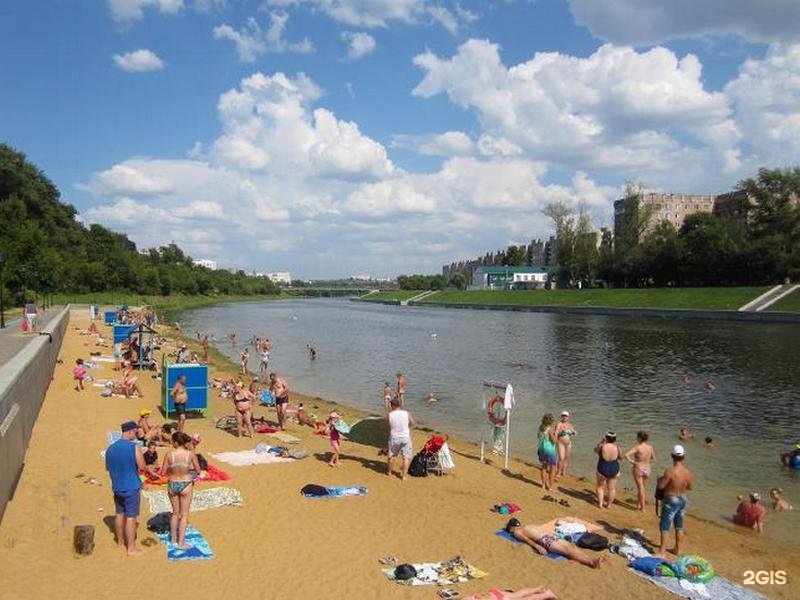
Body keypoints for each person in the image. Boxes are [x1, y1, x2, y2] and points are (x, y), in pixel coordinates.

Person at [104, 421, 145, 556]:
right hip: (131, 486)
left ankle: (120, 543)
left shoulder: (110, 449)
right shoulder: (133, 447)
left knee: (119, 514)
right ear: (130, 431)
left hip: (117, 486)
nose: (137, 434)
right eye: (135, 432)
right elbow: (142, 466)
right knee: (131, 517)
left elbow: (108, 468)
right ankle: (131, 548)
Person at [504, 519, 606, 569]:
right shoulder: (517, 532)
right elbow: (526, 540)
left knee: (572, 547)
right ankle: (590, 562)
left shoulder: (525, 527)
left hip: (551, 537)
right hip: (545, 540)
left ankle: (592, 559)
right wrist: (537, 546)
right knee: (568, 552)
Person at [161, 431, 201, 550]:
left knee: (175, 513)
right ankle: (181, 543)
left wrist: (173, 470)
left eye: (172, 441)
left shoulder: (169, 455)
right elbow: (198, 470)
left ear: (176, 442)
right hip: (186, 484)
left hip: (172, 483)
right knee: (184, 515)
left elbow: (163, 472)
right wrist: (188, 470)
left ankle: (173, 539)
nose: (171, 443)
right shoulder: (190, 454)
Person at [655, 444, 694, 557]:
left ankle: (662, 551)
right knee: (679, 526)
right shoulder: (688, 472)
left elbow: (662, 486)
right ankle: (677, 549)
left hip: (671, 499)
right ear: (683, 457)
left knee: (665, 526)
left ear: (672, 456)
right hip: (683, 499)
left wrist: (660, 481)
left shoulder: (670, 471)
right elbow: (690, 487)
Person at [625, 431, 656, 511]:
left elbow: (626, 455)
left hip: (638, 468)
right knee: (642, 487)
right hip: (647, 468)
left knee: (640, 487)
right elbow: (653, 458)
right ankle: (639, 504)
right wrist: (647, 463)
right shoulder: (650, 447)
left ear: (639, 438)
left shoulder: (637, 447)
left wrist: (633, 462)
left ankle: (643, 508)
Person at [387, 396, 415, 480]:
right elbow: (413, 423)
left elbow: (389, 426)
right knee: (406, 457)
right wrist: (407, 425)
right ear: (400, 405)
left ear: (392, 405)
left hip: (394, 437)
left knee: (392, 455)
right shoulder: (406, 413)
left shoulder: (390, 415)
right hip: (405, 437)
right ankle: (404, 476)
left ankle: (389, 472)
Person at [595, 432, 621, 509]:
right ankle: (609, 505)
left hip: (603, 467)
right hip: (614, 468)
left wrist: (601, 442)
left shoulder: (602, 446)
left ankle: (600, 504)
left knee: (600, 487)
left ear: (606, 438)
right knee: (612, 488)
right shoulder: (617, 447)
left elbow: (596, 450)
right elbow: (620, 457)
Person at [536, 414, 558, 491]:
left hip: (541, 449)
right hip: (549, 450)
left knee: (543, 467)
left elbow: (538, 437)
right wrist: (556, 435)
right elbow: (554, 441)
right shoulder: (549, 429)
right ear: (551, 421)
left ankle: (543, 484)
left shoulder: (540, 428)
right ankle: (551, 486)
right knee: (553, 468)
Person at [554, 411, 576, 478]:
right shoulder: (559, 424)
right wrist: (561, 433)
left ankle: (564, 471)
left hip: (568, 443)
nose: (564, 417)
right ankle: (558, 472)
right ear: (561, 416)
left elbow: (574, 431)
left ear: (568, 417)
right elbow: (556, 433)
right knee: (561, 458)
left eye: (566, 416)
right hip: (561, 443)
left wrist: (573, 432)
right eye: (563, 416)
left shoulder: (569, 424)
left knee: (567, 458)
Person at [463, 587, 557, 600]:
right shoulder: (464, 599)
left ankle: (547, 594)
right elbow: (477, 595)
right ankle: (538, 588)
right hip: (494, 593)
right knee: (518, 594)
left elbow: (478, 596)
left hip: (498, 598)